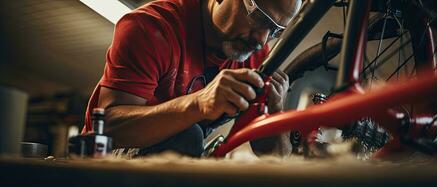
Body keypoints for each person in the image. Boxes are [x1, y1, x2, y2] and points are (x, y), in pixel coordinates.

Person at [82, 0, 302, 157]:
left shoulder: (255, 57)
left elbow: (277, 159)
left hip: (174, 165)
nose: (262, 40)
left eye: (275, 30)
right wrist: (198, 103)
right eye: (258, 18)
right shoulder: (151, 28)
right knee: (187, 136)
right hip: (103, 163)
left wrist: (275, 113)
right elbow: (110, 128)